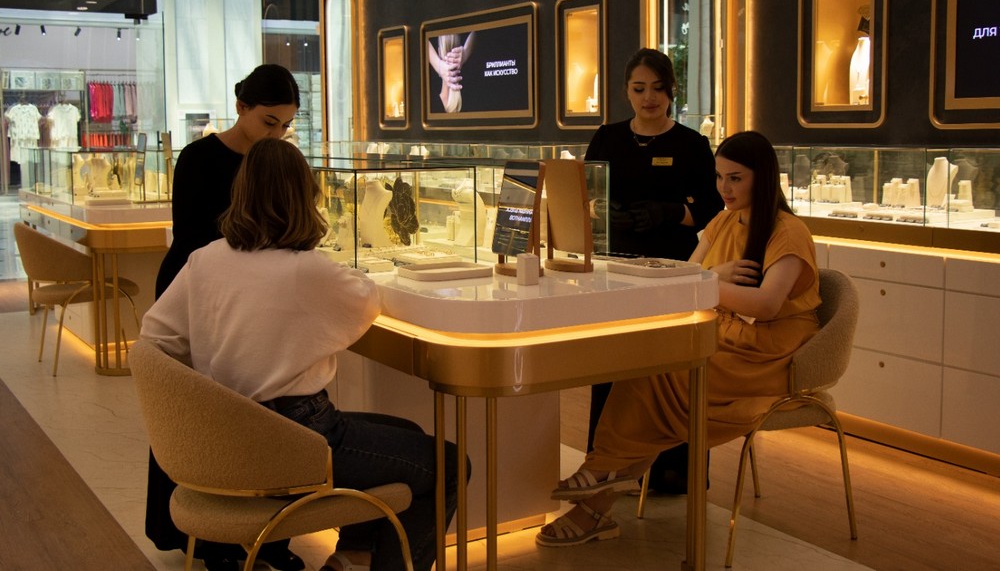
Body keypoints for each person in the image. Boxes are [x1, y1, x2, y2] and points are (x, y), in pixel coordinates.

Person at [141, 138, 465, 571]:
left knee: (402, 431)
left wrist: (216, 388)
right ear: (305, 196)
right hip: (298, 439)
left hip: (226, 438)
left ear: (241, 192)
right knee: (449, 464)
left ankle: (351, 557)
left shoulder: (205, 260)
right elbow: (366, 300)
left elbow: (155, 337)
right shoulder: (305, 270)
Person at [537, 130, 821, 547]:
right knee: (649, 367)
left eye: (736, 178)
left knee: (657, 375)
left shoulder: (788, 232)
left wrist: (708, 281)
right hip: (722, 336)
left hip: (764, 356)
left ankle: (600, 477)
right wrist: (709, 278)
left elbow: (766, 304)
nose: (724, 188)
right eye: (719, 177)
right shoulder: (723, 221)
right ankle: (597, 493)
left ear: (762, 178)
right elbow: (686, 273)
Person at [146, 64, 303, 571]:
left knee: (256, 416)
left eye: (285, 126)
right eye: (268, 122)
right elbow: (193, 238)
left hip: (248, 295)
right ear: (241, 108)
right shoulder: (198, 159)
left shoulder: (276, 161)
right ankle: (209, 537)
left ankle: (266, 536)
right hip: (195, 291)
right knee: (201, 415)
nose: (276, 134)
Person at [584, 47, 723, 495]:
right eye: (640, 88)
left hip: (672, 275)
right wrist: (603, 212)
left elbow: (713, 209)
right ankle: (606, 468)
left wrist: (670, 212)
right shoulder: (606, 138)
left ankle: (671, 473)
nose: (649, 98)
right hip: (614, 272)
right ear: (627, 91)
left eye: (658, 89)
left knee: (669, 374)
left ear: (671, 91)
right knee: (611, 367)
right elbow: (585, 196)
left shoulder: (692, 145)